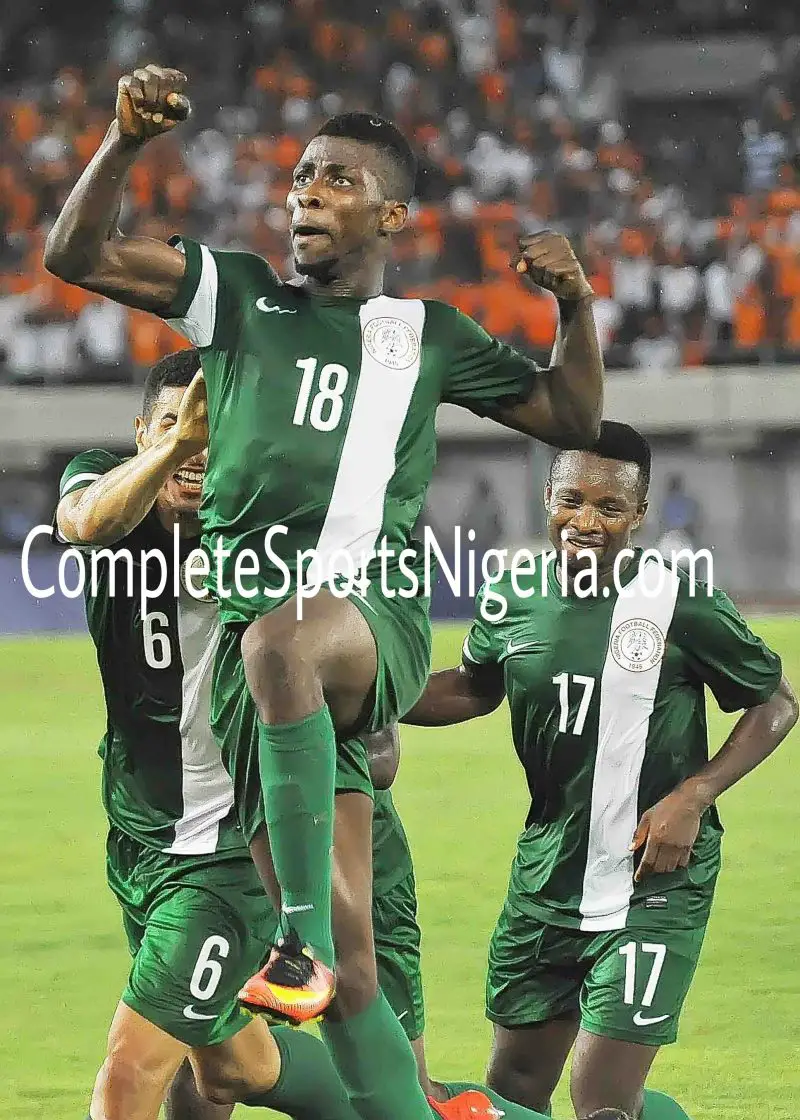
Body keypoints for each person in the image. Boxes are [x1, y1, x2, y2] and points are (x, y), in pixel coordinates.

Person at [44, 63, 604, 1120]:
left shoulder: (427, 335)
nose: (305, 191)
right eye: (301, 175)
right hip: (262, 697)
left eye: (337, 178)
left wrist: (575, 304)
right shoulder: (239, 298)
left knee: (281, 643)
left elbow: (570, 418)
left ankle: (292, 939)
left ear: (390, 214)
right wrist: (123, 141)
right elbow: (75, 256)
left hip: (365, 616)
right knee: (348, 993)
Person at [402, 421, 797, 1119]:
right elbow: (473, 687)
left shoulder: (681, 600)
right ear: (547, 497)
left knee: (602, 1101)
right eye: (572, 500)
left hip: (655, 880)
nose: (586, 521)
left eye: (609, 507)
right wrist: (367, 697)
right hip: (546, 878)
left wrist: (694, 795)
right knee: (515, 1087)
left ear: (638, 514)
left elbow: (776, 702)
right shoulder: (512, 592)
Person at [53, 350, 370, 1120]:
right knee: (230, 1067)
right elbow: (86, 523)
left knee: (130, 1071)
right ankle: (399, 1108)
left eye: (212, 431)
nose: (194, 449)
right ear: (141, 433)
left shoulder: (276, 527)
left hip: (231, 850)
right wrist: (178, 445)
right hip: (139, 835)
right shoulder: (103, 483)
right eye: (173, 426)